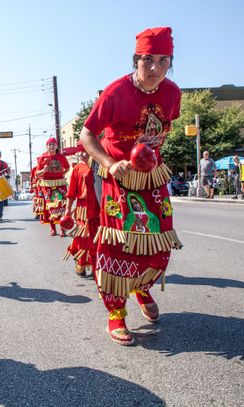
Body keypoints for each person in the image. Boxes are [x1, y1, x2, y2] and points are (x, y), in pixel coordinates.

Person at [80, 27, 183, 346]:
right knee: (120, 244)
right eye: (148, 61)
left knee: (158, 240)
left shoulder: (173, 93)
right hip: (118, 176)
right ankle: (116, 315)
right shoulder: (115, 93)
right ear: (136, 59)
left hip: (153, 177)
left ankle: (141, 286)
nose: (155, 69)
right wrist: (111, 164)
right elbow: (86, 135)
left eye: (163, 61)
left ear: (170, 63)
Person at [63, 148, 100, 277]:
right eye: (82, 153)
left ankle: (98, 266)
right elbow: (71, 191)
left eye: (86, 152)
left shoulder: (99, 163)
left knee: (97, 238)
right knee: (83, 238)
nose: (83, 155)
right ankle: (81, 263)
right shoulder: (78, 168)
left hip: (99, 207)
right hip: (83, 209)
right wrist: (68, 209)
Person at [36, 137, 70, 236]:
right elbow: (38, 173)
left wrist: (62, 174)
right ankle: (53, 229)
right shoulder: (43, 157)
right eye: (49, 145)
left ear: (56, 146)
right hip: (47, 184)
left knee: (62, 205)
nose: (51, 146)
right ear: (47, 147)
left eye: (53, 144)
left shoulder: (61, 157)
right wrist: (44, 170)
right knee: (51, 206)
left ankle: (63, 229)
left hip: (60, 183)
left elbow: (67, 167)